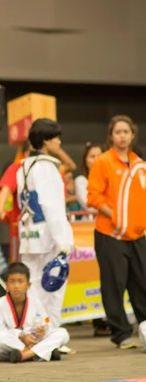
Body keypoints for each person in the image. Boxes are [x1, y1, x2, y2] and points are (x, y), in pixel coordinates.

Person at [87, 114, 146, 349]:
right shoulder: (103, 161)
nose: (122, 136)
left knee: (141, 282)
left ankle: (144, 327)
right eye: (118, 132)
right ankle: (121, 333)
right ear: (111, 136)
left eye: (126, 132)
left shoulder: (139, 163)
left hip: (138, 234)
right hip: (110, 234)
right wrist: (117, 216)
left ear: (133, 135)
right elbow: (94, 196)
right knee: (114, 284)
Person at [16, 119, 74, 329]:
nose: (59, 142)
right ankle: (51, 332)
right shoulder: (46, 167)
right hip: (49, 234)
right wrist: (63, 240)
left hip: (29, 232)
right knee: (53, 287)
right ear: (46, 141)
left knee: (31, 285)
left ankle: (32, 329)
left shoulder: (23, 167)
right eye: (56, 138)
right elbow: (52, 205)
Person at [0, 262, 69, 362]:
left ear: (28, 285)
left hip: (33, 341)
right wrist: (21, 336)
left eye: (20, 281)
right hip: (13, 343)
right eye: (12, 282)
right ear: (7, 285)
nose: (16, 286)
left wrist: (42, 330)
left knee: (62, 333)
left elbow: (47, 325)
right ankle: (40, 353)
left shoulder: (36, 302)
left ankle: (26, 355)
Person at [74, 142, 104, 214]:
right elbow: (89, 206)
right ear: (85, 160)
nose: (97, 159)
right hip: (90, 222)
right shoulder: (81, 181)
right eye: (92, 156)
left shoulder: (111, 178)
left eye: (99, 156)